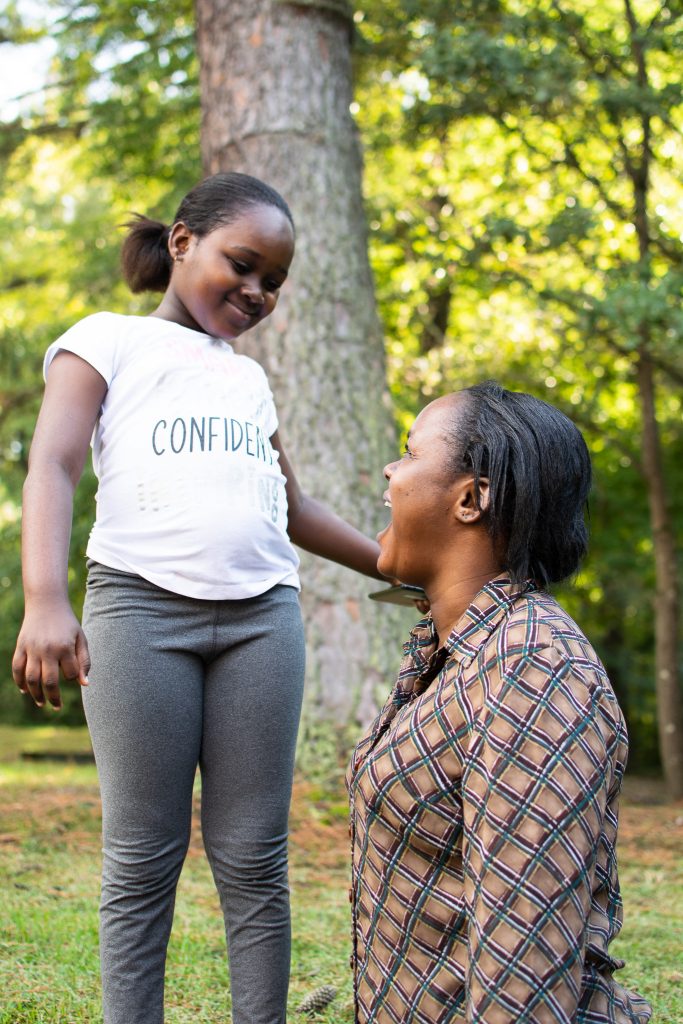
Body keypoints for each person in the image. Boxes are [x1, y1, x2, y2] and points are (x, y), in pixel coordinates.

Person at [11, 171, 387, 1024]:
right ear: (183, 242)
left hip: (261, 622)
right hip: (140, 616)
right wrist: (45, 598)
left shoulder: (245, 382)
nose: (256, 292)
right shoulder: (103, 340)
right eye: (243, 265)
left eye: (273, 284)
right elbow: (53, 466)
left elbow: (294, 510)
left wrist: (400, 567)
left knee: (254, 856)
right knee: (143, 856)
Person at [347, 382, 651, 1024]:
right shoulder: (457, 648)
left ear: (471, 498)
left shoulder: (533, 670)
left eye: (409, 453)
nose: (389, 470)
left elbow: (524, 977)